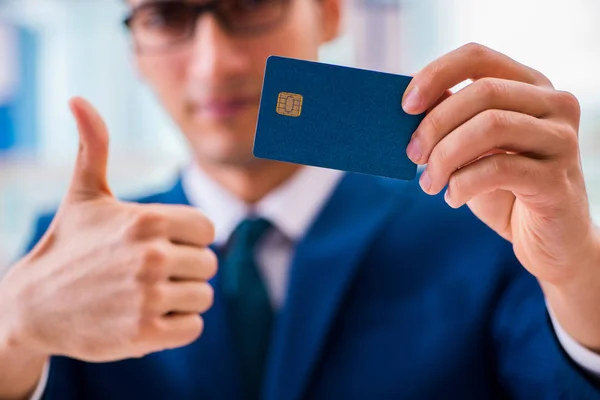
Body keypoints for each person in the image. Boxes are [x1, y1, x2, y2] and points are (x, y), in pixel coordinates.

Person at [1, 0, 600, 398]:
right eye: (165, 15)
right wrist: (12, 334)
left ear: (330, 12)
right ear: (134, 48)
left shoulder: (485, 222)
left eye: (252, 5)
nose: (214, 65)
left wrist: (578, 274)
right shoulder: (70, 256)